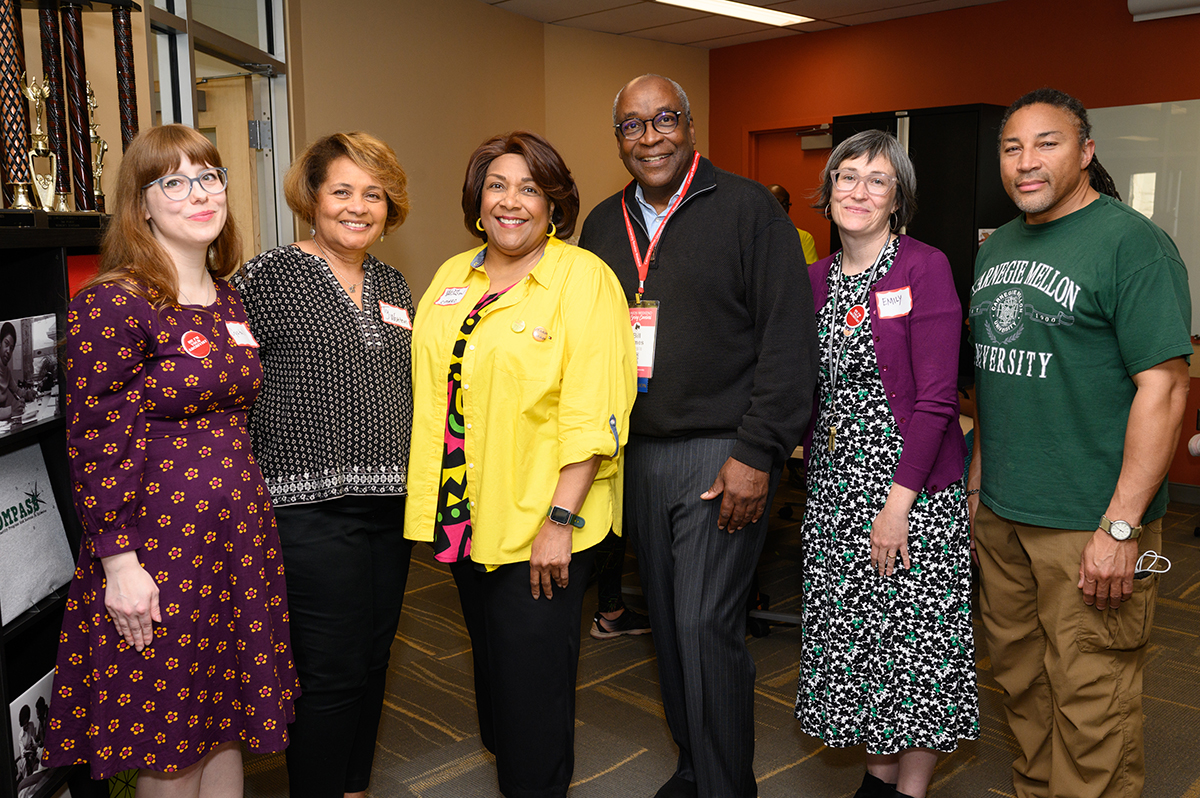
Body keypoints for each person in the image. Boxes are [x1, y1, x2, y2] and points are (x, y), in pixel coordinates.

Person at [578, 74, 818, 798]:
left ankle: (725, 786)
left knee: (705, 627)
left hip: (724, 452)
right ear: (617, 137)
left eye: (664, 120)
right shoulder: (600, 223)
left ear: (689, 126)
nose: (649, 138)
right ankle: (692, 765)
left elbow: (788, 343)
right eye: (631, 126)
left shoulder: (749, 211)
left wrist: (757, 452)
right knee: (670, 632)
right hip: (638, 455)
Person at [42, 124, 298, 794]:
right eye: (174, 182)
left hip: (237, 541)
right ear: (142, 205)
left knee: (225, 720)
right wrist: (119, 565)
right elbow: (93, 444)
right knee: (171, 735)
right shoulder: (111, 303)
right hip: (159, 550)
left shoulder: (229, 299)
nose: (199, 194)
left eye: (209, 177)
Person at [968, 88, 1191, 798]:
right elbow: (995, 383)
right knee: (1020, 685)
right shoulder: (997, 245)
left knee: (1093, 699)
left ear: (1087, 152)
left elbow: (1166, 387)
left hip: (1090, 522)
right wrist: (978, 491)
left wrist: (1122, 525)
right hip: (1004, 515)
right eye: (1012, 147)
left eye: (1047, 143)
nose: (1026, 162)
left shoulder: (1133, 244)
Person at [404, 130, 636, 798]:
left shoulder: (583, 278)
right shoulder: (453, 275)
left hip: (544, 519)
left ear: (554, 204)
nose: (512, 202)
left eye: (530, 188)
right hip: (467, 515)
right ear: (478, 199)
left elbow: (595, 410)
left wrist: (559, 520)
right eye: (498, 185)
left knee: (532, 687)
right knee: (497, 673)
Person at [229, 131, 414, 798]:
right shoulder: (266, 275)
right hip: (306, 508)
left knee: (372, 657)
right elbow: (226, 384)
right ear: (312, 198)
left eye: (374, 194)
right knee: (331, 671)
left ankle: (353, 786)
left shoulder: (395, 284)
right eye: (342, 191)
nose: (358, 207)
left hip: (391, 504)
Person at [795, 130, 980, 798]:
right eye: (847, 176)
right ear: (829, 190)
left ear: (897, 196)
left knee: (916, 647)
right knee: (863, 640)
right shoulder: (813, 279)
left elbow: (935, 401)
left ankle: (911, 790)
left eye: (877, 179)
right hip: (835, 490)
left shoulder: (922, 267)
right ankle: (877, 778)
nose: (859, 190)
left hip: (911, 490)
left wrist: (896, 507)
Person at [766, 183, 819, 265]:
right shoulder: (749, 236)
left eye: (785, 204)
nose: (781, 208)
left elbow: (809, 273)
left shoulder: (803, 237)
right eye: (775, 202)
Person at [0, 321, 37, 419]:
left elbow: (17, 390)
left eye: (11, 348)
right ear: (0, 343)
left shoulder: (6, 371)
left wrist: (27, 394)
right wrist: (11, 410)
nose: (8, 351)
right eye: (6, 344)